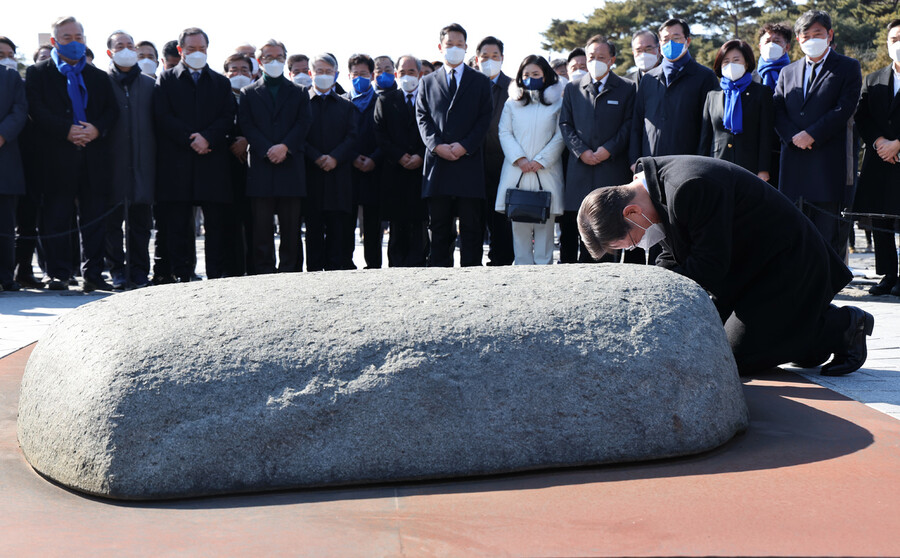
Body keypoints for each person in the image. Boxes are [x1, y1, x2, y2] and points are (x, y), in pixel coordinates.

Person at [577, 155, 874, 376]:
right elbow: (675, 258)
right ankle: (807, 338)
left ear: (631, 212)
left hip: (789, 265)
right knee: (719, 344)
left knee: (733, 356)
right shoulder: (654, 194)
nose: (634, 247)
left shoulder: (689, 187)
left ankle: (844, 325)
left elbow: (709, 266)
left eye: (626, 243)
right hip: (751, 269)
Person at [26, 16, 119, 292]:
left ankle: (93, 274)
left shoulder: (98, 76)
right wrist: (66, 130)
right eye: (67, 38)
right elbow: (36, 110)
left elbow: (111, 112)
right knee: (55, 217)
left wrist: (96, 129)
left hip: (93, 158)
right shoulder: (38, 73)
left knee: (94, 219)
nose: (74, 42)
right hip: (56, 157)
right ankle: (57, 273)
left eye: (79, 37)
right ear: (55, 41)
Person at [774, 10, 862, 259]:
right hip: (793, 162)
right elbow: (778, 108)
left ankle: (825, 292)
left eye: (818, 34)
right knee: (795, 231)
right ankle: (799, 290)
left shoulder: (847, 67)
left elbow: (844, 107)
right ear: (798, 40)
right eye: (806, 35)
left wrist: (812, 134)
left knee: (826, 234)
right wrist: (793, 136)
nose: (812, 39)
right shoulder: (787, 72)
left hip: (827, 163)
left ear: (829, 35)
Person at [154, 27, 236, 282]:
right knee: (179, 224)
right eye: (191, 49)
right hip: (178, 162)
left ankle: (215, 273)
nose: (197, 54)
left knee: (216, 224)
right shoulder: (166, 79)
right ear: (181, 51)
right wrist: (191, 138)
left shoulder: (221, 82)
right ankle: (183, 273)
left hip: (212, 160)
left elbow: (227, 116)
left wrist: (207, 137)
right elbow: (162, 116)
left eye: (202, 49)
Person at [416, 23, 493, 267]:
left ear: (466, 47)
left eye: (460, 45)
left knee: (471, 224)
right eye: (450, 45)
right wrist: (437, 145)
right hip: (438, 163)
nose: (455, 49)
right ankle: (439, 270)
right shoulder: (427, 81)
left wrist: (464, 145)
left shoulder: (480, 81)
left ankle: (471, 270)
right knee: (439, 224)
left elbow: (484, 119)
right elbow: (422, 116)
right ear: (440, 47)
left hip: (468, 160)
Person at [558, 35, 637, 264]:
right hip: (579, 169)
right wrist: (581, 151)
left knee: (609, 229)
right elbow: (565, 124)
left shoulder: (627, 88)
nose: (595, 61)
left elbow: (629, 124)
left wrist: (609, 149)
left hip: (611, 169)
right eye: (591, 56)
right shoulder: (573, 88)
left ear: (612, 60)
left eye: (601, 57)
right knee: (577, 228)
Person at [238, 39, 310, 275]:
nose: (274, 61)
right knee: (261, 226)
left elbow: (303, 124)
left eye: (279, 57)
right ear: (260, 61)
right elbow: (246, 125)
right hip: (261, 165)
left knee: (291, 227)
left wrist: (285, 147)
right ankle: (264, 270)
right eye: (269, 57)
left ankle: (290, 269)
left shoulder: (299, 92)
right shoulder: (248, 93)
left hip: (290, 165)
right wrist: (267, 148)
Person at [495, 55, 566, 265]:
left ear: (546, 76)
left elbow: (560, 134)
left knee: (546, 223)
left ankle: (544, 268)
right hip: (517, 171)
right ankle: (522, 268)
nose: (530, 78)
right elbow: (504, 132)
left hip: (546, 171)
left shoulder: (557, 103)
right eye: (526, 74)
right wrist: (520, 158)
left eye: (535, 74)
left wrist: (542, 160)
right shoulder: (512, 103)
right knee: (519, 222)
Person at [105, 30, 156, 289]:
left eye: (129, 45)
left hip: (144, 165)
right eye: (119, 45)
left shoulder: (150, 85)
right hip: (112, 166)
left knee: (140, 225)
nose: (126, 49)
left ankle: (139, 271)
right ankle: (117, 271)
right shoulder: (102, 83)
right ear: (109, 52)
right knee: (112, 224)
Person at [854, 19, 900, 297]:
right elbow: (862, 116)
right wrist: (880, 142)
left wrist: (898, 144)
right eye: (894, 38)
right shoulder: (873, 79)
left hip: (896, 154)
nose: (898, 43)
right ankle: (887, 276)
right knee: (881, 221)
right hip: (879, 159)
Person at [373, 55, 428, 267]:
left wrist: (420, 155)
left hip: (421, 171)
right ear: (396, 74)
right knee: (397, 223)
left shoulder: (428, 98)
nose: (407, 77)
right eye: (402, 73)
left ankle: (419, 261)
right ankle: (396, 263)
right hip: (395, 170)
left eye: (411, 72)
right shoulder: (385, 100)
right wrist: (399, 155)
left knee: (419, 221)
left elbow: (435, 129)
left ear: (420, 74)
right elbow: (380, 134)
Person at [304, 53, 357, 271]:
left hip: (338, 175)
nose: (324, 76)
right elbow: (298, 135)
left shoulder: (346, 105)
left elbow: (353, 137)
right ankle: (314, 271)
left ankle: (337, 271)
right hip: (311, 174)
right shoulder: (302, 103)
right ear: (310, 73)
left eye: (328, 71)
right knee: (313, 228)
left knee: (338, 228)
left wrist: (335, 157)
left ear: (336, 74)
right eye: (319, 71)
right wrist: (316, 156)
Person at [699, 40, 773, 181]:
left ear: (746, 63)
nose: (730, 64)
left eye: (736, 60)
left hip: (750, 167)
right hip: (717, 165)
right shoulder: (713, 95)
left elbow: (766, 134)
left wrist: (764, 169)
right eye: (725, 61)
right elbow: (706, 137)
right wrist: (701, 166)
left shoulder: (761, 93)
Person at [343, 53, 383, 269]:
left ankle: (373, 263)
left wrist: (374, 158)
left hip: (374, 168)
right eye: (356, 74)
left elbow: (386, 136)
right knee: (346, 219)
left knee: (373, 221)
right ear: (349, 75)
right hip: (348, 168)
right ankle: (346, 262)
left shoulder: (380, 102)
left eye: (364, 74)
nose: (360, 78)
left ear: (372, 75)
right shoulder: (343, 102)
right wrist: (351, 157)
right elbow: (337, 136)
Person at [476, 35, 514, 266]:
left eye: (495, 56)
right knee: (475, 215)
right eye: (484, 56)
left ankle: (502, 259)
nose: (490, 61)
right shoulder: (470, 85)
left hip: (504, 161)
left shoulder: (513, 86)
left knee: (501, 215)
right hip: (473, 160)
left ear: (502, 58)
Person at [0, 44, 27, 291]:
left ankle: (5, 277)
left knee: (5, 224)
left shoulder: (10, 77)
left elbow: (20, 110)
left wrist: (2, 134)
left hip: (4, 160)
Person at [754, 22, 793, 187]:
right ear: (759, 46)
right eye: (767, 41)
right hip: (755, 152)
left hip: (787, 150)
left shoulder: (796, 74)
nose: (771, 45)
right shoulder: (748, 78)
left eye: (777, 41)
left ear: (787, 47)